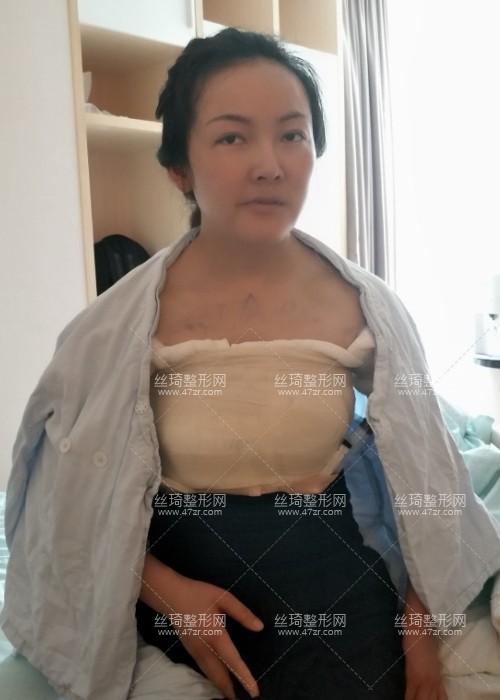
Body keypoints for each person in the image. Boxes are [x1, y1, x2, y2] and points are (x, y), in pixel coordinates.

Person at [2, 26, 500, 700]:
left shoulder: (370, 308)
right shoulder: (114, 327)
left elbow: (427, 479)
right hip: (171, 572)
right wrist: (170, 595)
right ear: (179, 168)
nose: (270, 164)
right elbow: (70, 501)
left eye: (292, 134)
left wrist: (419, 636)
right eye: (233, 137)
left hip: (327, 570)